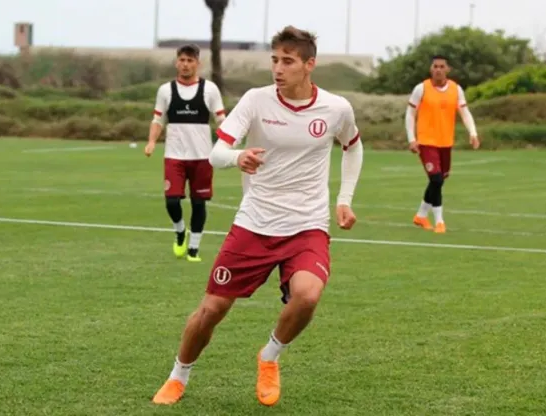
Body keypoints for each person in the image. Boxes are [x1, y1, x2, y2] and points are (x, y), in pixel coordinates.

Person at [151, 25, 364, 407]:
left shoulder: (336, 108)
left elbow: (353, 146)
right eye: (274, 60)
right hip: (255, 223)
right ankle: (178, 374)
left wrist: (344, 199)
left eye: (287, 61)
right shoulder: (256, 100)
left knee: (307, 296)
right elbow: (217, 152)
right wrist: (238, 158)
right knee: (212, 310)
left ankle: (269, 356)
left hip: (307, 225)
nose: (278, 69)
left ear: (309, 65)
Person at [144, 43, 227, 262]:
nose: (186, 64)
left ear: (198, 64)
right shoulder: (165, 90)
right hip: (174, 156)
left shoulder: (210, 90)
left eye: (190, 60)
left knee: (199, 204)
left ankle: (193, 249)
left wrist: (228, 141)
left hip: (202, 157)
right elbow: (157, 119)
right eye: (182, 60)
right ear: (176, 62)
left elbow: (221, 119)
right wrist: (152, 141)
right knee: (172, 201)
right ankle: (180, 231)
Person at [405, 55, 480, 233]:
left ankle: (421, 215)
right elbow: (410, 114)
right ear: (431, 69)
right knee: (436, 179)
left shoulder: (456, 89)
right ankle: (439, 222)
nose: (438, 69)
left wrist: (473, 133)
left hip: (445, 142)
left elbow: (465, 112)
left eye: (442, 66)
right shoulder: (421, 88)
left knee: (438, 181)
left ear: (448, 69)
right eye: (435, 66)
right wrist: (412, 138)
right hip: (426, 141)